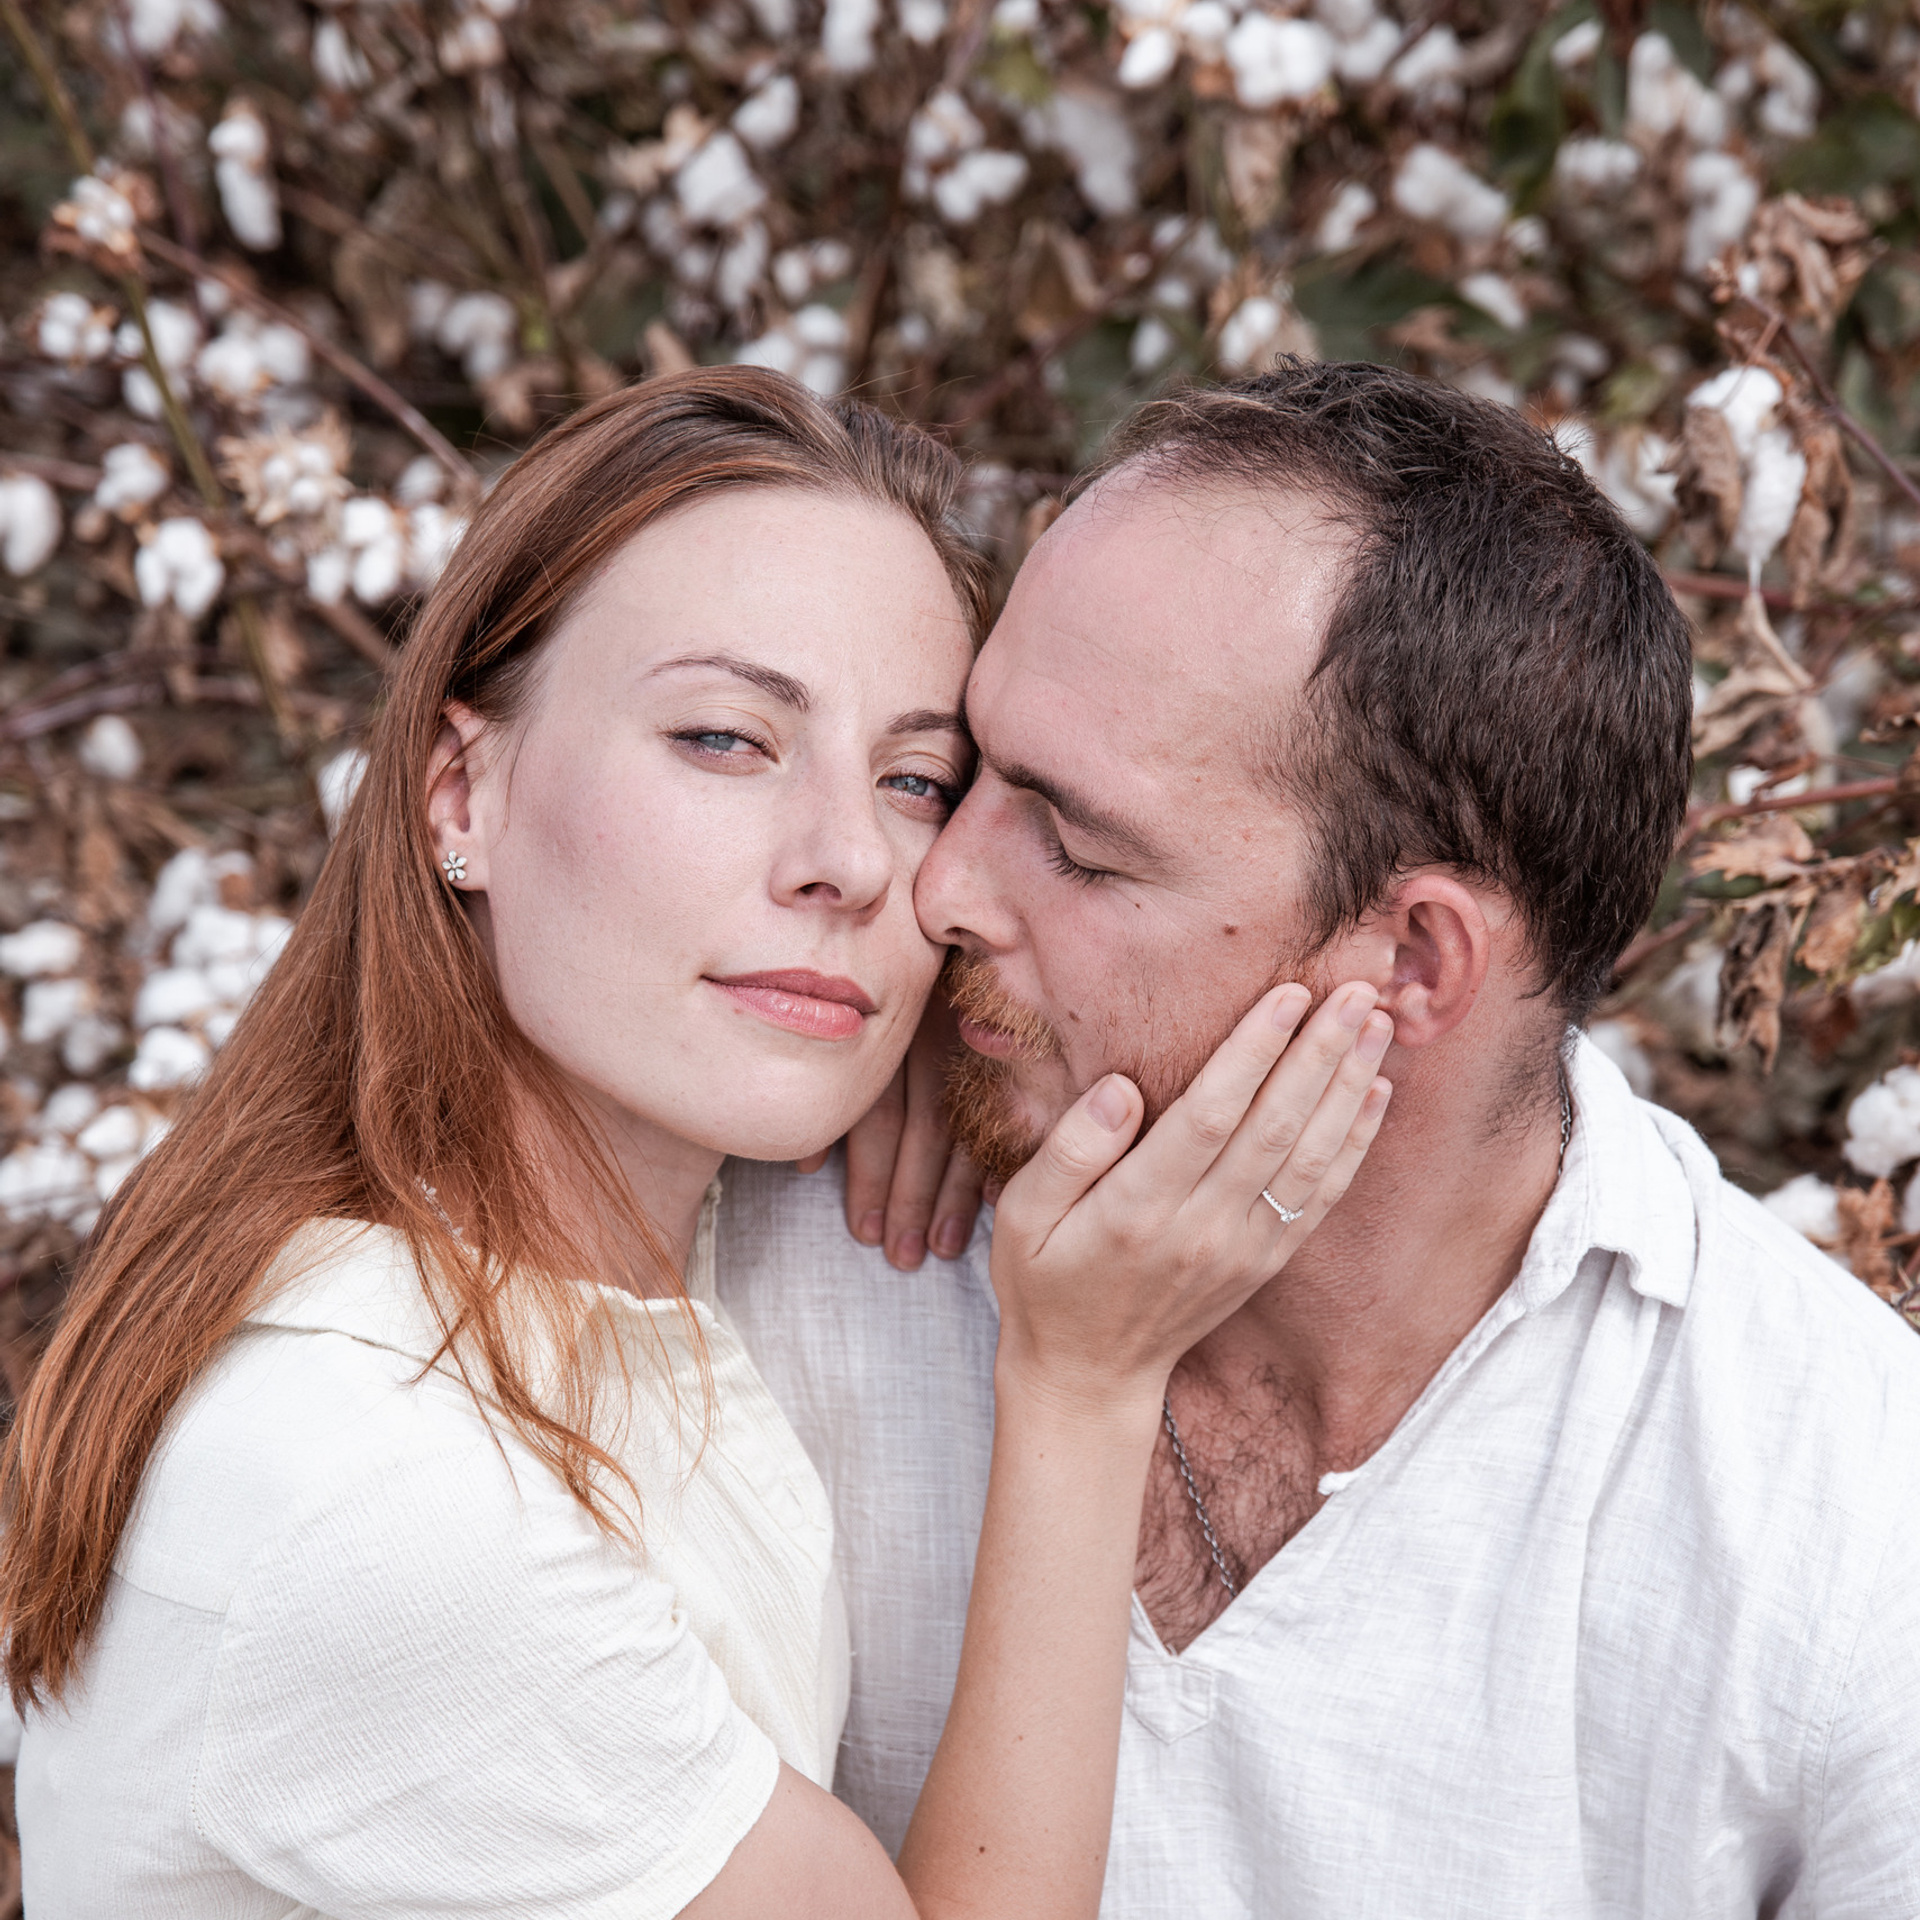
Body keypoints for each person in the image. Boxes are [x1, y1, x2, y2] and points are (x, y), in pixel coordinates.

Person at [0, 369, 1394, 1918]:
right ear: (461, 791)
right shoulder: (388, 1495)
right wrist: (1084, 1382)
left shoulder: (544, 1291)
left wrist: (970, 1037)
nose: (854, 864)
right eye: (726, 740)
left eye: (917, 780)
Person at [715, 360, 1920, 1915]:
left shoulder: (1830, 1507)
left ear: (1412, 965)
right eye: (961, 773)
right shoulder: (766, 1224)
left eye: (1074, 842)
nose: (939, 889)